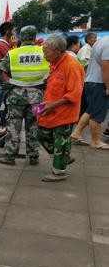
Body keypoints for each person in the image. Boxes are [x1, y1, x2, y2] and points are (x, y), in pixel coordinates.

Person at [0, 26, 49, 166]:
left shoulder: (13, 54)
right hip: (38, 98)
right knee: (34, 127)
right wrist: (45, 85)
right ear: (35, 37)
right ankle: (33, 156)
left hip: (15, 97)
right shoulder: (44, 52)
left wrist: (5, 85)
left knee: (13, 127)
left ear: (21, 37)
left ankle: (10, 156)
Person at [37, 35, 84, 182]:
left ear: (57, 51)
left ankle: (59, 172)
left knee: (61, 142)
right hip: (50, 108)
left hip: (65, 112)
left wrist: (53, 105)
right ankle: (63, 157)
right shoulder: (55, 63)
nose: (44, 56)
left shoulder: (72, 65)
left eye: (46, 52)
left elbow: (74, 94)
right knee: (41, 133)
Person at [71, 36, 109, 149]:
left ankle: (76, 132)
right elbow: (106, 66)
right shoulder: (107, 44)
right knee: (97, 113)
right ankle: (95, 141)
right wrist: (108, 86)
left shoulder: (102, 40)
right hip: (99, 82)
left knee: (92, 110)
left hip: (92, 81)